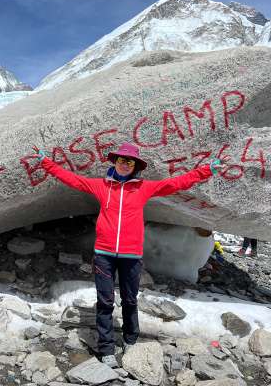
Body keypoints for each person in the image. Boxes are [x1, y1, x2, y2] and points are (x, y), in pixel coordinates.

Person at [32, 142, 227, 368]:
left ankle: (130, 339)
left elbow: (175, 183)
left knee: (130, 299)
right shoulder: (101, 186)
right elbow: (71, 179)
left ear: (135, 166)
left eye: (130, 161)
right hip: (104, 254)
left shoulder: (143, 188)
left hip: (131, 256)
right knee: (105, 301)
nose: (125, 164)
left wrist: (206, 171)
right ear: (115, 162)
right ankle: (106, 348)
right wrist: (45, 163)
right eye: (121, 160)